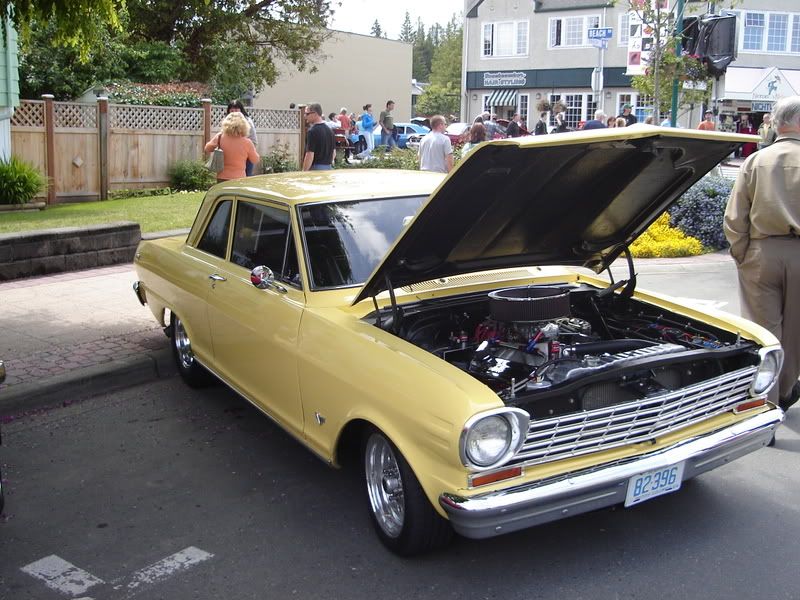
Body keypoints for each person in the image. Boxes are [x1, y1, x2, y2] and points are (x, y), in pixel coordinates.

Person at [723, 95, 800, 417]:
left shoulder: (756, 161)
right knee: (795, 332)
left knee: (763, 331)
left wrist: (742, 253)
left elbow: (735, 215)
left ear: (778, 123)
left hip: (762, 250)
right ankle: (784, 391)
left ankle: (764, 401)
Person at [204, 112, 260, 182]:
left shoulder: (220, 137)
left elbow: (207, 148)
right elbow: (255, 160)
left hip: (222, 176)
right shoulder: (247, 142)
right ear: (245, 125)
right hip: (239, 177)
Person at [226, 100, 258, 176]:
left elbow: (254, 141)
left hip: (246, 156)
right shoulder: (227, 122)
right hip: (230, 156)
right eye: (232, 110)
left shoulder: (247, 121)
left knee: (246, 177)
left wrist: (247, 152)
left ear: (241, 110)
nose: (234, 113)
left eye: (236, 110)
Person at [302, 103, 335, 171]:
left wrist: (304, 172)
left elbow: (310, 155)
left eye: (307, 114)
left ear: (315, 114)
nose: (305, 116)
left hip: (315, 169)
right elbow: (334, 153)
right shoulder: (330, 131)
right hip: (328, 169)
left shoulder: (312, 131)